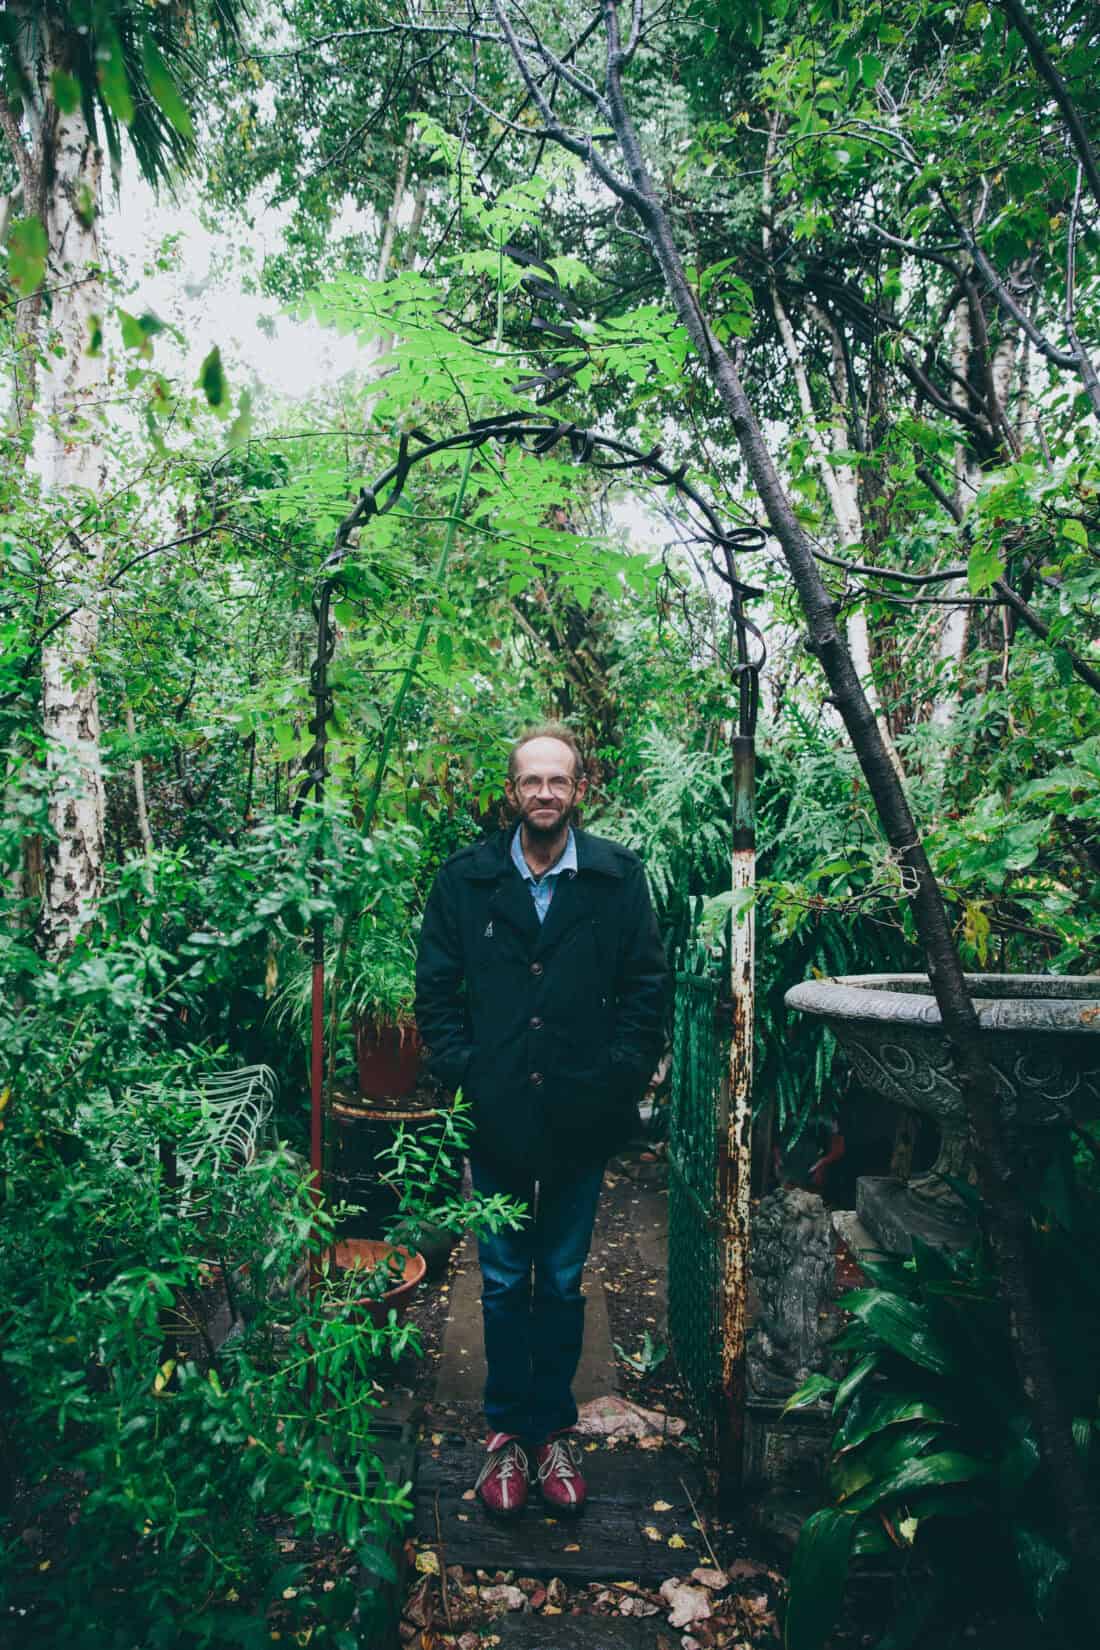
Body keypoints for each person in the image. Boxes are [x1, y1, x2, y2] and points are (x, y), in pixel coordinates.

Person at [415, 723, 667, 1518]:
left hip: (579, 1121)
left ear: (579, 789)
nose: (545, 794)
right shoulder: (466, 880)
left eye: (559, 781)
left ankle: (551, 1428)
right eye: (532, 781)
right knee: (497, 1281)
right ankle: (504, 1437)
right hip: (494, 1120)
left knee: (559, 1283)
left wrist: (616, 1077)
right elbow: (436, 993)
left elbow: (646, 990)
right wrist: (468, 1073)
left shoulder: (616, 879)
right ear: (513, 789)